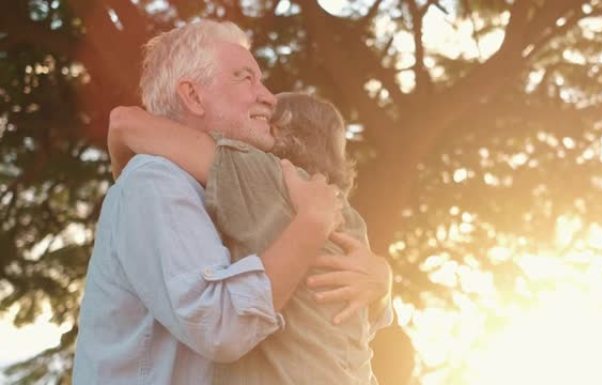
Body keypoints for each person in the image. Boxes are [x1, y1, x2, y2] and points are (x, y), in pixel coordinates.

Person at [73, 20, 391, 385]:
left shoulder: (266, 191)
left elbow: (332, 320)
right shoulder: (156, 181)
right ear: (193, 96)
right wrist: (311, 224)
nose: (269, 97)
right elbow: (223, 325)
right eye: (245, 78)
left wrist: (381, 284)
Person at [108, 92, 383, 384]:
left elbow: (125, 122)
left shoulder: (270, 178)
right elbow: (375, 313)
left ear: (278, 129)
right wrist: (385, 279)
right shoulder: (352, 221)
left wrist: (121, 187)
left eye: (263, 117)